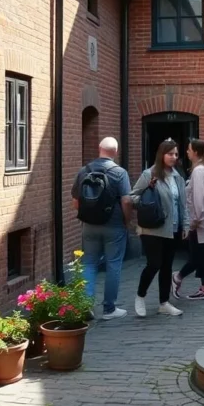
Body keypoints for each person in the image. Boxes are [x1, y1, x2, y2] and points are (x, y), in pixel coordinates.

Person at [71, 137, 131, 320]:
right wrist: (127, 221)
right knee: (113, 264)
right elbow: (126, 201)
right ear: (116, 152)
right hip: (114, 225)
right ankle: (109, 309)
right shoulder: (120, 173)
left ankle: (86, 306)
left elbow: (75, 202)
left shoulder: (84, 171)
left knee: (89, 263)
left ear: (99, 148)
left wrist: (88, 215)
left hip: (89, 226)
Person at [130, 139, 190, 317]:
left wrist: (186, 224)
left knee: (167, 266)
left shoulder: (178, 176)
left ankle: (164, 303)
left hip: (173, 228)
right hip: (152, 228)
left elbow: (183, 204)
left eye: (176, 154)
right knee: (154, 264)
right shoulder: (149, 174)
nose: (174, 157)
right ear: (161, 154)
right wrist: (146, 202)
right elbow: (132, 196)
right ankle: (140, 296)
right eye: (170, 154)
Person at [173, 138, 204, 300]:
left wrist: (193, 221)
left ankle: (177, 277)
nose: (187, 152)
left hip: (200, 220)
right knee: (201, 255)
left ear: (196, 152)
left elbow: (198, 198)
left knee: (195, 257)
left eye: (189, 149)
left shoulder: (199, 171)